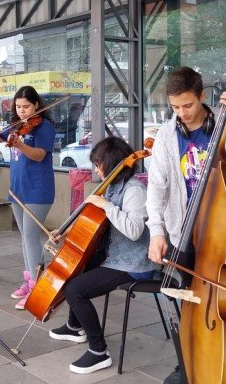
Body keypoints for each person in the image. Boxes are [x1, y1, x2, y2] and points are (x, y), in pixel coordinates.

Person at [144, 66, 226, 383]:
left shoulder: (224, 126)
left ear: (201, 96)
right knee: (182, 304)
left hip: (223, 231)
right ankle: (186, 359)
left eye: (187, 105)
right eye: (175, 107)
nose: (182, 113)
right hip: (181, 234)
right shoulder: (166, 138)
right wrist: (156, 232)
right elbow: (156, 188)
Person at [48, 137, 155, 374]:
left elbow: (135, 232)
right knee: (76, 268)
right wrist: (65, 233)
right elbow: (96, 227)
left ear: (112, 162)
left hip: (133, 262)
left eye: (98, 164)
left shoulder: (134, 190)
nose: (96, 169)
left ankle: (99, 352)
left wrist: (106, 205)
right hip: (114, 254)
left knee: (75, 290)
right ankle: (75, 326)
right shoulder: (115, 186)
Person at [0, 85, 56, 309]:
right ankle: (29, 281)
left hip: (38, 189)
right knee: (24, 238)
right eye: (18, 107)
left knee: (30, 237)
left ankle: (38, 287)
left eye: (26, 106)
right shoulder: (17, 125)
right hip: (17, 189)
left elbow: (39, 156)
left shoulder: (44, 126)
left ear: (36, 105)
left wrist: (20, 145)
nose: (22, 111)